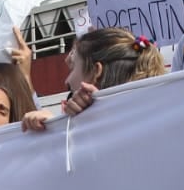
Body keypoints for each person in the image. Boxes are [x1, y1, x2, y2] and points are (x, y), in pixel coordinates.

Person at [22, 29, 168, 131]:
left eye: (73, 69)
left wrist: (54, 131)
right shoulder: (157, 121)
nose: (67, 80)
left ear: (95, 71)